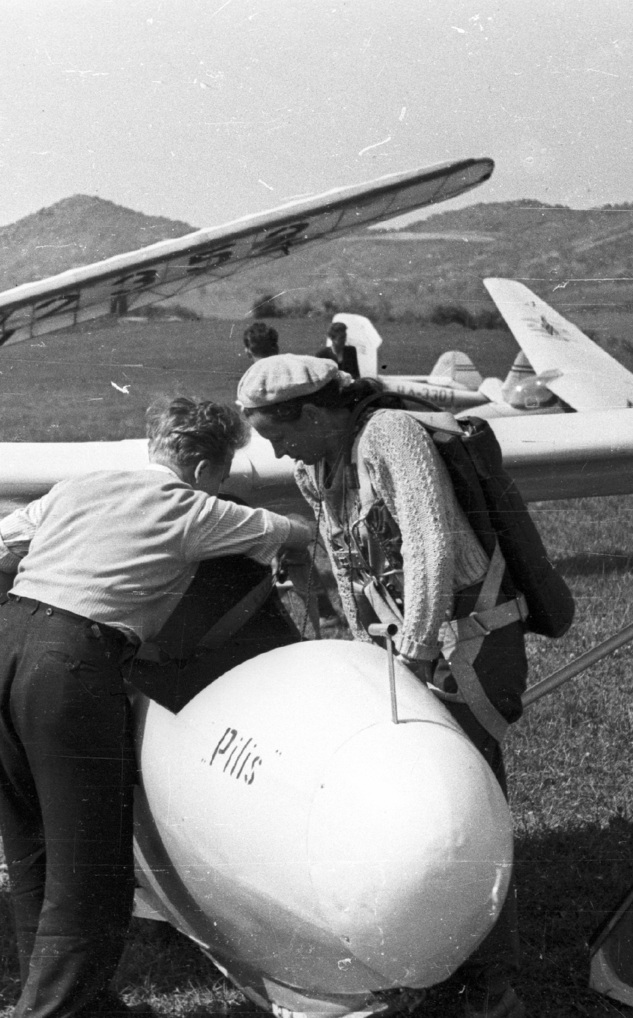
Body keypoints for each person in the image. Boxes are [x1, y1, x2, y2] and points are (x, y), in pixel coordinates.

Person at [0, 396, 315, 1018]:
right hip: (73, 663)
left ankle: (85, 1003)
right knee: (92, 867)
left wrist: (30, 602)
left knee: (35, 846)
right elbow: (290, 533)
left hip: (2, 646)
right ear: (207, 468)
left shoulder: (80, 486)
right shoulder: (195, 507)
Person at [236, 355, 530, 1018]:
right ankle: (426, 954)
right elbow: (345, 561)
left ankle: (489, 982)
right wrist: (369, 651)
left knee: (462, 805)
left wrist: (418, 648)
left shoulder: (392, 437)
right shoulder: (317, 467)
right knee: (412, 802)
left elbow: (431, 543)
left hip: (467, 642)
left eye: (280, 435)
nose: (277, 451)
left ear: (314, 413)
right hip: (407, 649)